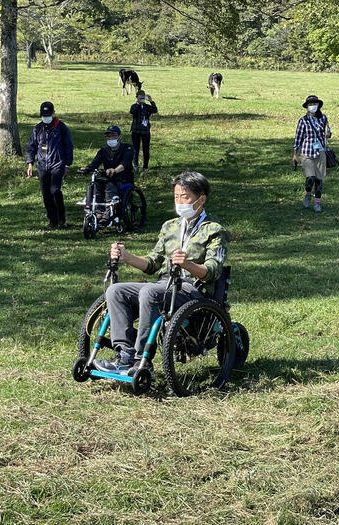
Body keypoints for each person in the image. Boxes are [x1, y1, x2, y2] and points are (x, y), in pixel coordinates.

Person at [94, 171, 230, 374]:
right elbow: (152, 263)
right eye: (176, 196)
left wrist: (187, 264)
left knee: (149, 293)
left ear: (201, 199)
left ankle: (143, 360)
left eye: (185, 197)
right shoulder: (169, 227)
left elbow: (212, 271)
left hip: (193, 289)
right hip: (164, 284)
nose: (179, 202)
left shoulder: (214, 230)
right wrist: (127, 256)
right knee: (116, 291)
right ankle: (124, 354)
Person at [26, 101, 73, 228]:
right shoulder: (37, 129)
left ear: (53, 113)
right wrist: (30, 163)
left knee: (55, 190)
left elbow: (69, 146)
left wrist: (67, 165)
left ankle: (61, 218)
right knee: (46, 193)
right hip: (42, 166)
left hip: (57, 164)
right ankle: (52, 220)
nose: (46, 117)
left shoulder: (61, 128)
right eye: (43, 114)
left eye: (48, 114)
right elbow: (32, 146)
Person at [77, 125, 134, 221]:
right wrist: (87, 169)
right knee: (95, 185)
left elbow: (125, 163)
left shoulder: (128, 148)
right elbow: (95, 164)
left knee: (110, 186)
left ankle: (109, 211)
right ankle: (99, 212)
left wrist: (114, 170)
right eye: (108, 136)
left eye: (113, 136)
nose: (110, 138)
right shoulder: (103, 151)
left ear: (120, 137)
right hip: (108, 178)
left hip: (123, 179)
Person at [292, 95, 332, 213]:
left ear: (318, 105)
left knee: (319, 179)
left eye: (314, 104)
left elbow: (328, 131)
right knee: (310, 177)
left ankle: (317, 203)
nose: (312, 106)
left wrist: (328, 135)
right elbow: (298, 138)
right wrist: (295, 154)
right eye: (310, 105)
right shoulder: (303, 120)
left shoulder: (323, 118)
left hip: (320, 152)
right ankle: (308, 194)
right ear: (307, 107)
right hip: (306, 152)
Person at [129, 90, 158, 172]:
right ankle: (136, 166)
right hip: (136, 130)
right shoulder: (134, 106)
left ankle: (145, 166)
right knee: (135, 149)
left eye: (143, 97)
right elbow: (132, 111)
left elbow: (155, 110)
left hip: (145, 131)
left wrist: (151, 101)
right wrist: (138, 104)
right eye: (140, 97)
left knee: (146, 149)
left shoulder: (147, 107)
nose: (142, 99)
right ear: (137, 97)